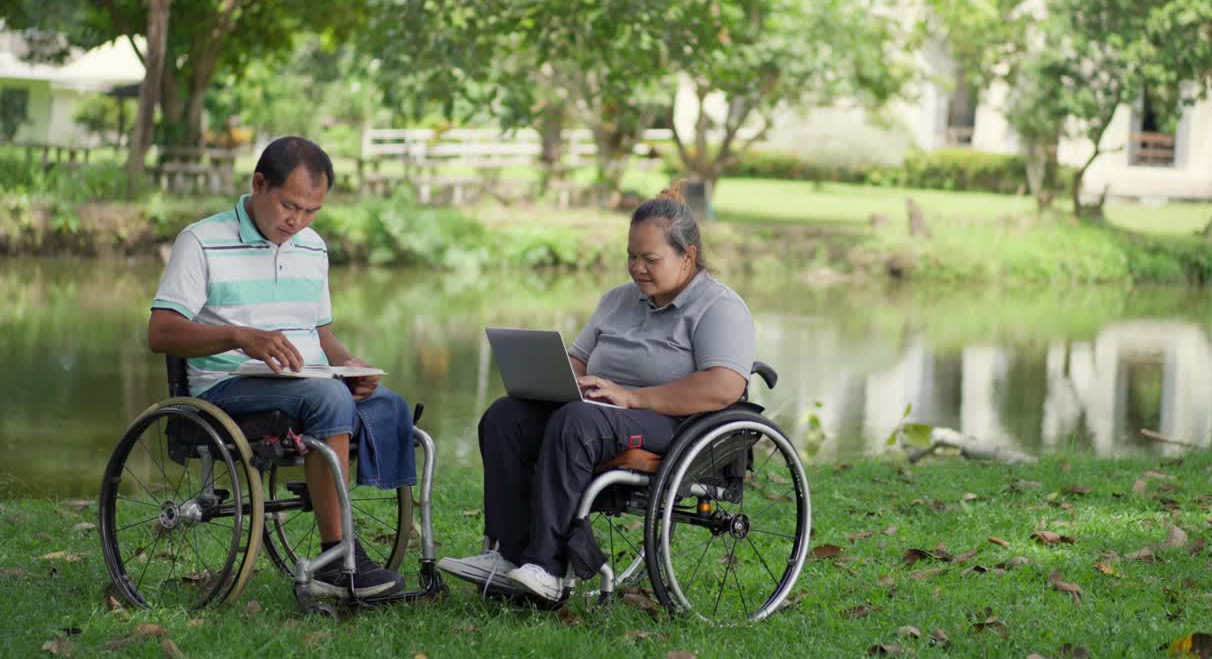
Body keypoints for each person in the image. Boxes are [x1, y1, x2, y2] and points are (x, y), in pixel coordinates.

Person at [438, 187, 756, 602]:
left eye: (650, 259)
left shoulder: (719, 308)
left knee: (577, 422)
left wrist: (630, 397)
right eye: (632, 256)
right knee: (505, 416)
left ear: (688, 257)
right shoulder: (619, 300)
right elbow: (579, 362)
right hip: (602, 413)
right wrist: (547, 380)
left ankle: (548, 567)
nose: (637, 268)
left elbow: (724, 386)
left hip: (671, 422)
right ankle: (508, 555)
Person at [148, 136, 415, 599]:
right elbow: (161, 332)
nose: (298, 221)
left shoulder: (312, 247)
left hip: (306, 384)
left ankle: (403, 553)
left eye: (312, 211)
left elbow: (321, 334)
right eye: (290, 206)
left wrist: (350, 365)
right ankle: (338, 560)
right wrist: (241, 337)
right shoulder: (202, 241)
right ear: (258, 184)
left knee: (385, 403)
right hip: (226, 386)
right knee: (328, 398)